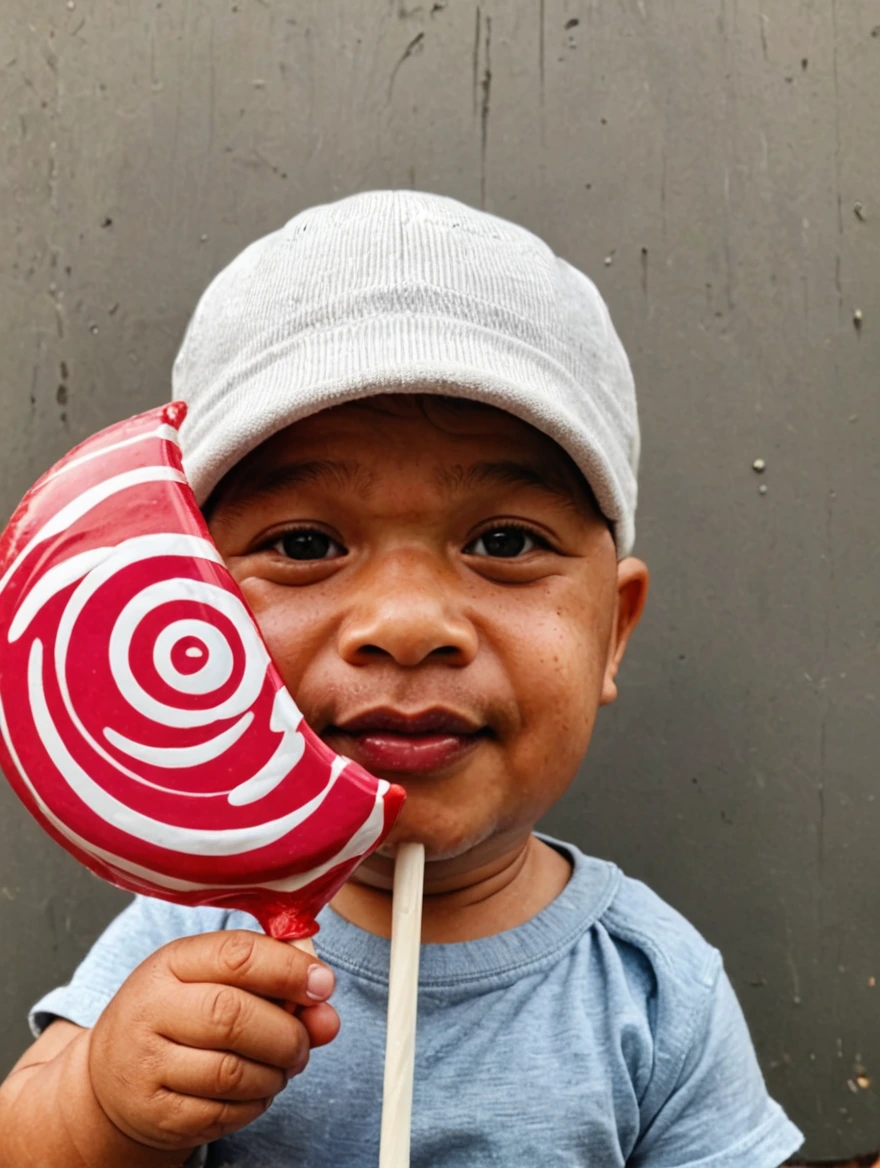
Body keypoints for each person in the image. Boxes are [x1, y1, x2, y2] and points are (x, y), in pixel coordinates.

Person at [0, 190, 804, 1167]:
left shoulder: (650, 984)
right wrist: (101, 1106)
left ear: (613, 632)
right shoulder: (198, 924)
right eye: (304, 543)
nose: (407, 624)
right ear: (191, 611)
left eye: (504, 541)